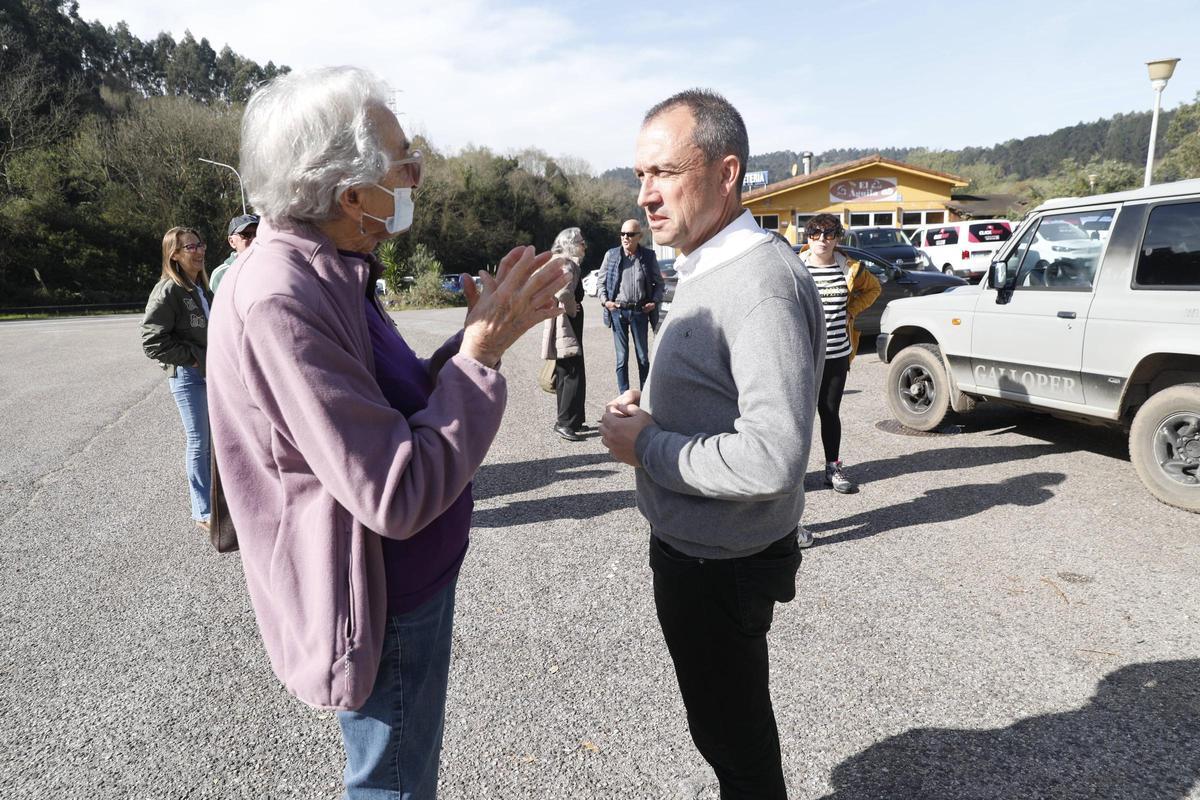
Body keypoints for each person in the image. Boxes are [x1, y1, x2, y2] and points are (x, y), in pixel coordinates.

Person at [205, 67, 568, 799]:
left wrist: (470, 341)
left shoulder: (332, 266)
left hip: (401, 577)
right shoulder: (284, 297)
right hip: (379, 594)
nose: (417, 173)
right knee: (393, 785)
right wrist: (483, 357)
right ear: (349, 194)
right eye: (402, 159)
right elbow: (394, 492)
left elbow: (392, 407)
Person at [599, 89, 825, 800]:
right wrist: (655, 407)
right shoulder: (706, 261)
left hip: (719, 562)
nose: (647, 196)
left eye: (664, 172)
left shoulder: (759, 282)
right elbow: (724, 392)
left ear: (726, 174)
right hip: (701, 551)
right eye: (641, 176)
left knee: (736, 741)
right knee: (725, 729)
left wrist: (649, 447)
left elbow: (773, 454)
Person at [795, 213, 881, 509]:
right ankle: (794, 476)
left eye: (828, 234)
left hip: (837, 353)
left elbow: (873, 289)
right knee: (799, 416)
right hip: (804, 357)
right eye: (815, 233)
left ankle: (833, 468)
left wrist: (852, 310)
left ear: (837, 238)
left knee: (830, 412)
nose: (822, 240)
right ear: (807, 236)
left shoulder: (849, 267)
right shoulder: (797, 266)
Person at [140, 226, 213, 532]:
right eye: (190, 247)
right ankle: (203, 512)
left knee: (213, 442)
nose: (198, 251)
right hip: (188, 376)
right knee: (198, 442)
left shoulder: (201, 289)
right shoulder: (168, 290)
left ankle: (217, 503)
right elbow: (152, 342)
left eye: (200, 245)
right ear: (174, 254)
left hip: (212, 375)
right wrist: (195, 357)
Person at [597, 219, 663, 393]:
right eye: (622, 234)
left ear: (639, 236)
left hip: (640, 312)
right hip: (618, 312)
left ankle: (646, 397)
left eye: (630, 234)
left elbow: (659, 284)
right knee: (621, 358)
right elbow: (601, 282)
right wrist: (605, 302)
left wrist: (654, 302)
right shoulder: (611, 255)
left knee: (643, 358)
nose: (625, 237)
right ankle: (623, 396)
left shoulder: (648, 257)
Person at [541, 227, 588, 441]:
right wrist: (571, 308)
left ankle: (573, 420)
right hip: (566, 323)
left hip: (560, 321)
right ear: (571, 244)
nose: (583, 245)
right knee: (571, 372)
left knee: (565, 370)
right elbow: (563, 292)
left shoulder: (556, 261)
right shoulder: (568, 263)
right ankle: (565, 422)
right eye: (580, 241)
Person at [208, 213, 258, 296]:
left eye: (257, 234)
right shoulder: (221, 275)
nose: (254, 239)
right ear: (232, 241)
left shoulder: (271, 267)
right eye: (246, 234)